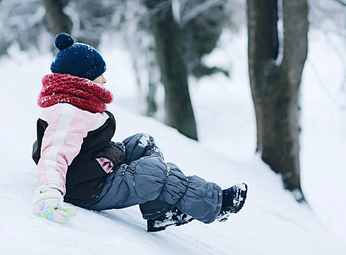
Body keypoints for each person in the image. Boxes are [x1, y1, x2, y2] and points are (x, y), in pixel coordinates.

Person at [31, 33, 247, 232]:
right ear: (83, 79)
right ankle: (215, 204)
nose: (104, 80)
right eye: (99, 75)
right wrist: (50, 192)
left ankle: (159, 211)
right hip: (86, 189)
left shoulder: (76, 104)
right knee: (153, 173)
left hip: (91, 170)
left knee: (142, 143)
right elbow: (54, 154)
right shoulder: (67, 112)